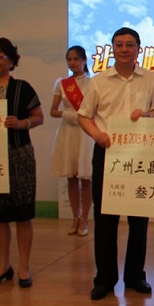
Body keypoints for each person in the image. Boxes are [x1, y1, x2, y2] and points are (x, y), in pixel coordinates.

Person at [78, 27, 154, 301]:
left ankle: (135, 276)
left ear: (138, 49)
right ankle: (105, 279)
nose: (125, 49)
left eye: (130, 45)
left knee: (139, 218)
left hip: (140, 155)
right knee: (105, 218)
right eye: (119, 45)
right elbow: (84, 116)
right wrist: (97, 135)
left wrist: (148, 115)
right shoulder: (99, 81)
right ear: (113, 49)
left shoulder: (149, 78)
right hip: (107, 153)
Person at [0, 38, 43, 289]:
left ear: (11, 61)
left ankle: (24, 266)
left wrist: (21, 123)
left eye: (0, 56)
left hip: (18, 154)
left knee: (22, 214)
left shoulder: (22, 87)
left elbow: (39, 117)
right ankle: (3, 265)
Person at [50, 46, 94, 237]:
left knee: (86, 177)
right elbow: (53, 111)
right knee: (72, 177)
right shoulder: (62, 83)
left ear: (84, 60)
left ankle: (84, 218)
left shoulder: (93, 83)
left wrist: (83, 117)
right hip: (68, 132)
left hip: (86, 133)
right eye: (69, 59)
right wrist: (67, 114)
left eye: (76, 59)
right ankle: (74, 217)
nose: (73, 63)